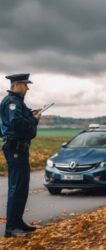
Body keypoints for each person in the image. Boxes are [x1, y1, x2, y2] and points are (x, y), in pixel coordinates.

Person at [0, 73, 41, 237]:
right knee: (17, 187)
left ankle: (18, 222)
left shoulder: (16, 102)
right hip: (15, 148)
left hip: (19, 148)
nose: (28, 88)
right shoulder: (11, 102)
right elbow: (16, 124)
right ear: (16, 85)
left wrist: (30, 116)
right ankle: (11, 227)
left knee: (22, 187)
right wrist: (34, 121)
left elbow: (18, 120)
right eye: (25, 84)